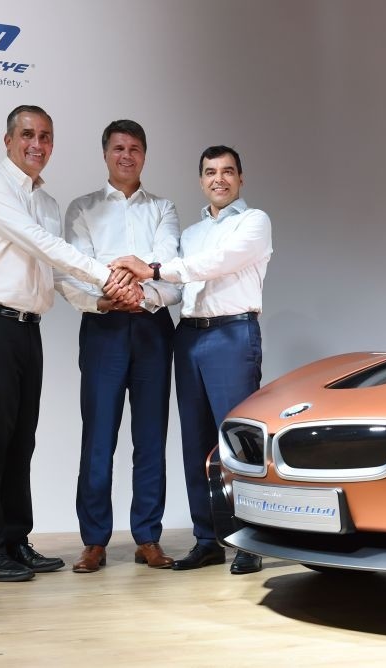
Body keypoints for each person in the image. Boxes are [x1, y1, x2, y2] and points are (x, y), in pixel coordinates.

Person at [0, 105, 138, 583]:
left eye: (46, 137)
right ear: (8, 140)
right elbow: (39, 244)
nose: (37, 144)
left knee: (18, 441)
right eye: (28, 134)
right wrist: (107, 273)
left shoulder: (48, 203)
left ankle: (13, 540)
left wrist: (101, 301)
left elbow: (52, 276)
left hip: (25, 330)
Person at [111, 145, 271, 574]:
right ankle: (208, 539)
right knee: (196, 445)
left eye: (227, 172)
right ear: (201, 180)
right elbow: (179, 287)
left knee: (237, 445)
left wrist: (155, 268)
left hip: (232, 335)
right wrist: (134, 292)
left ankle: (249, 539)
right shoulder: (193, 233)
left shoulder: (254, 222)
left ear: (240, 178)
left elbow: (218, 263)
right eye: (210, 172)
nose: (218, 179)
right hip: (190, 336)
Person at [58, 120, 181, 573]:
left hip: (152, 331)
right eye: (117, 148)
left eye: (134, 148)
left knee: (150, 439)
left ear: (144, 155)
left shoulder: (164, 209)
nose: (126, 155)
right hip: (104, 328)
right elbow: (74, 271)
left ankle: (148, 536)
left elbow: (169, 271)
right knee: (98, 438)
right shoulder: (83, 209)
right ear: (105, 154)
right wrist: (108, 298)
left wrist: (141, 294)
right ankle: (94, 541)